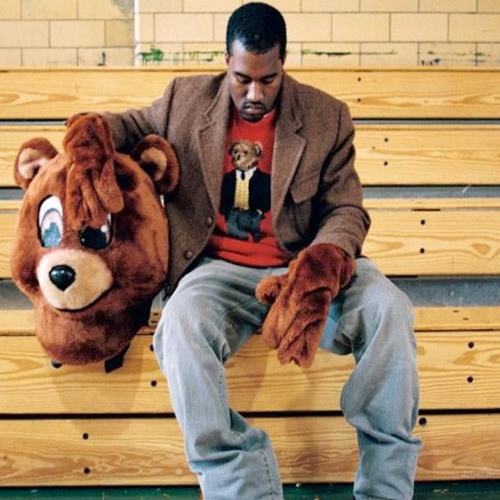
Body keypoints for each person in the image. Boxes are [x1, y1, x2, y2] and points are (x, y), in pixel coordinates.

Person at [102, 3, 421, 498]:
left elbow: (346, 209)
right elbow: (124, 126)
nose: (254, 94)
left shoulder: (326, 116)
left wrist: (323, 260)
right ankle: (241, 485)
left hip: (303, 268)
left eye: (268, 80)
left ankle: (386, 488)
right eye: (242, 79)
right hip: (217, 271)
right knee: (179, 327)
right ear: (226, 62)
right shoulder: (183, 100)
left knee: (390, 310)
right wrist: (90, 134)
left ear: (283, 63)